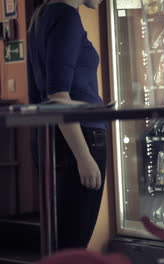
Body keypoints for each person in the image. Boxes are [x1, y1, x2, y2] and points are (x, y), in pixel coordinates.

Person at [27, 0, 106, 249]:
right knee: (73, 244)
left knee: (61, 242)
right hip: (80, 139)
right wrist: (83, 157)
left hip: (53, 138)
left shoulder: (41, 18)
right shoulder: (66, 16)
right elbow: (58, 97)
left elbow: (37, 95)